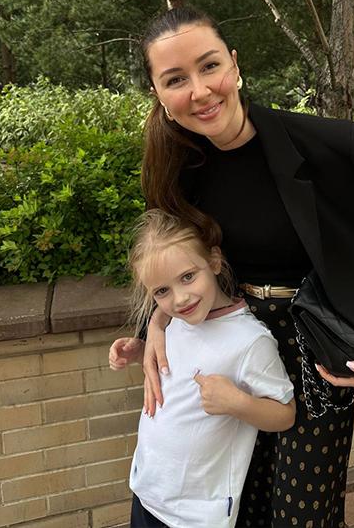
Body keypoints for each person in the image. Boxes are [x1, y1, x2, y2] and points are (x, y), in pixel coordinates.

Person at [109, 6, 354, 528]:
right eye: (175, 79)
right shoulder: (178, 169)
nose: (200, 91)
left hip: (313, 351)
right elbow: (172, 261)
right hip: (231, 346)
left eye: (209, 66)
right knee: (240, 507)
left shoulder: (334, 147)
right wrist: (156, 325)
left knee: (302, 516)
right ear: (159, 95)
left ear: (234, 65)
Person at [118, 208, 296, 528]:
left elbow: (285, 414)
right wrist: (141, 352)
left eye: (188, 277)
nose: (180, 298)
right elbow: (179, 367)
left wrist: (238, 403)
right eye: (162, 291)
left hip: (196, 514)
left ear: (214, 261)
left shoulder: (250, 341)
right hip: (147, 491)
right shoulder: (174, 322)